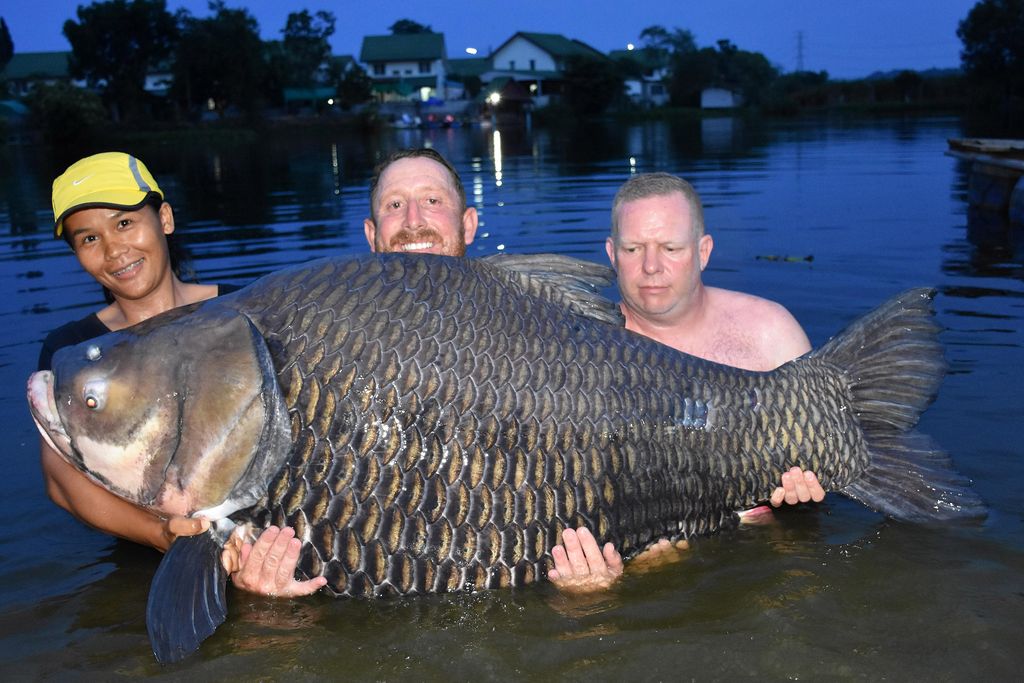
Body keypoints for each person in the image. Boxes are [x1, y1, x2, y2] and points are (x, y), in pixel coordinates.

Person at [38, 151, 325, 598]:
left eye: (125, 224)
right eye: (89, 239)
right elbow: (61, 482)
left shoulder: (244, 311)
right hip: (144, 561)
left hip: (273, 543)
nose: (115, 251)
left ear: (165, 218)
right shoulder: (74, 355)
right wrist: (162, 535)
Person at [547, 172, 827, 591]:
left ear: (704, 251)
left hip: (766, 557)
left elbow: (828, 465)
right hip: (651, 573)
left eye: (671, 248)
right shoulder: (579, 357)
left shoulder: (770, 333)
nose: (651, 266)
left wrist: (809, 491)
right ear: (611, 253)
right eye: (633, 248)